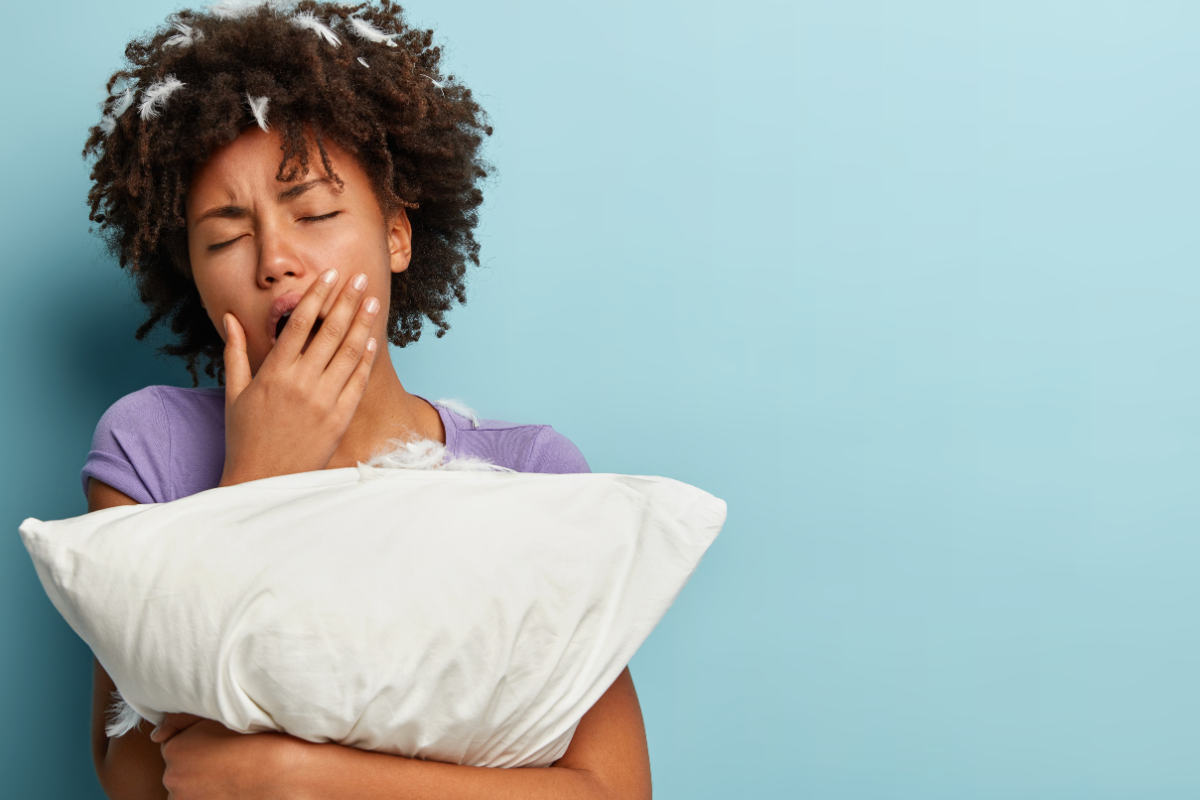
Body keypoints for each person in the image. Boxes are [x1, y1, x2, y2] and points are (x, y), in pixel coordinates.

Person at [80, 2, 652, 797]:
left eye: (312, 211)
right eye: (224, 236)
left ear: (396, 234)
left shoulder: (531, 472)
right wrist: (257, 482)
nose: (275, 259)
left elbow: (611, 789)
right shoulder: (150, 450)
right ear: (193, 273)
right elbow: (140, 783)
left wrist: (300, 775)